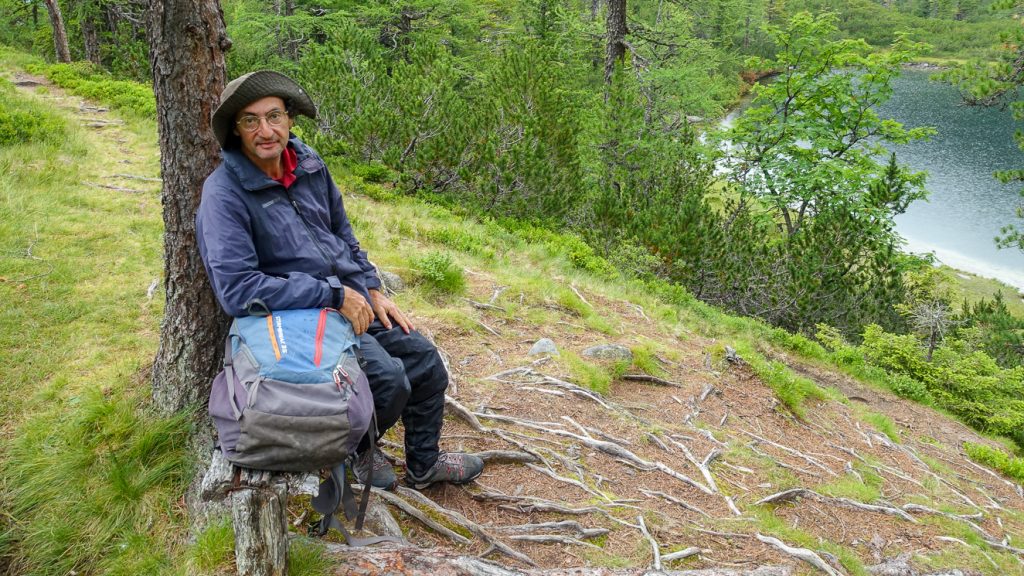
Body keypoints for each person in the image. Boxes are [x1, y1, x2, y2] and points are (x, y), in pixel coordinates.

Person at [196, 70, 483, 490]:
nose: (265, 130)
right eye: (250, 120)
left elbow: (341, 233)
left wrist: (370, 288)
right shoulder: (224, 194)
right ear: (236, 131)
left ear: (290, 118)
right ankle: (354, 453)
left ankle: (424, 464)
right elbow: (238, 290)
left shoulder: (309, 164)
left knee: (423, 358)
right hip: (296, 316)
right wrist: (332, 294)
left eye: (274, 116)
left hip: (346, 298)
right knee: (389, 380)